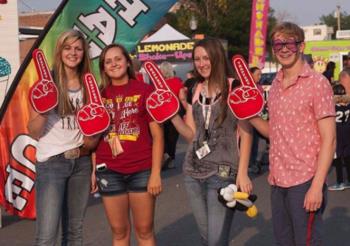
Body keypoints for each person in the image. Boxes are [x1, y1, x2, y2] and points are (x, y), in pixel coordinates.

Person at [250, 22, 336, 245]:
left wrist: (317, 187)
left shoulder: (318, 83)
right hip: (278, 180)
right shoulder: (276, 85)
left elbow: (330, 140)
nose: (284, 48)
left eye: (289, 42)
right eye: (278, 44)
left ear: (301, 46)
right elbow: (274, 133)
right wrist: (249, 115)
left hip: (305, 180)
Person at [170, 37, 253, 245]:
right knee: (208, 238)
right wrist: (171, 114)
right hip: (193, 172)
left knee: (216, 240)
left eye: (206, 58)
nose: (201, 63)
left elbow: (246, 133)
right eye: (197, 59)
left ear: (216, 57)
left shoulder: (234, 87)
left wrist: (242, 173)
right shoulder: (195, 89)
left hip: (224, 172)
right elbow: (190, 134)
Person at [27, 29, 98, 245]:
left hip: (82, 162)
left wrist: (93, 167)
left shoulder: (90, 86)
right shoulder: (45, 84)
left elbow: (93, 136)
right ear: (59, 51)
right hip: (52, 164)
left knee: (74, 232)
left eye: (78, 48)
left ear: (84, 53)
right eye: (67, 48)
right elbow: (33, 131)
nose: (73, 53)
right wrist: (44, 108)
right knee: (47, 235)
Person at [94, 43, 163, 245]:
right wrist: (92, 170)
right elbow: (94, 136)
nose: (114, 64)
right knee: (118, 232)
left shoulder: (145, 90)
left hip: (141, 169)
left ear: (127, 61)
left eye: (118, 59)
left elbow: (158, 136)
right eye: (108, 61)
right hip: (108, 171)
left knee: (145, 231)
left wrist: (156, 173)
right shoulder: (98, 95)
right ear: (103, 68)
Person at [159, 61, 185, 169]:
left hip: (162, 113)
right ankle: (171, 160)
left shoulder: (159, 84)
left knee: (162, 136)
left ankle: (164, 156)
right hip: (176, 112)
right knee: (173, 138)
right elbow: (182, 98)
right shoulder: (178, 82)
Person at [328, 83, 350, 191]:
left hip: (337, 135)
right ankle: (348, 181)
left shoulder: (333, 107)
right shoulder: (348, 105)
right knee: (347, 158)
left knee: (337, 160)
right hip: (347, 134)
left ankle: (340, 182)